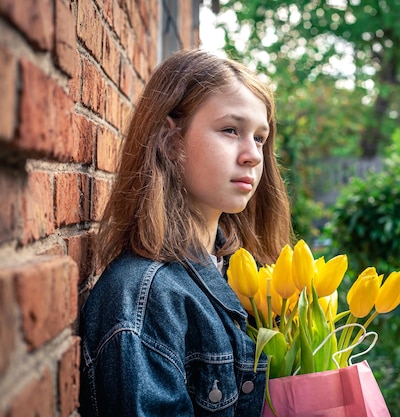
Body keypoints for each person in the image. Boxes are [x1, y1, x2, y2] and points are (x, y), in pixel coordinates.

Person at [79, 49, 293, 417]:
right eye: (230, 130)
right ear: (171, 140)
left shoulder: (245, 273)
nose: (253, 156)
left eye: (260, 138)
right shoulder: (143, 300)